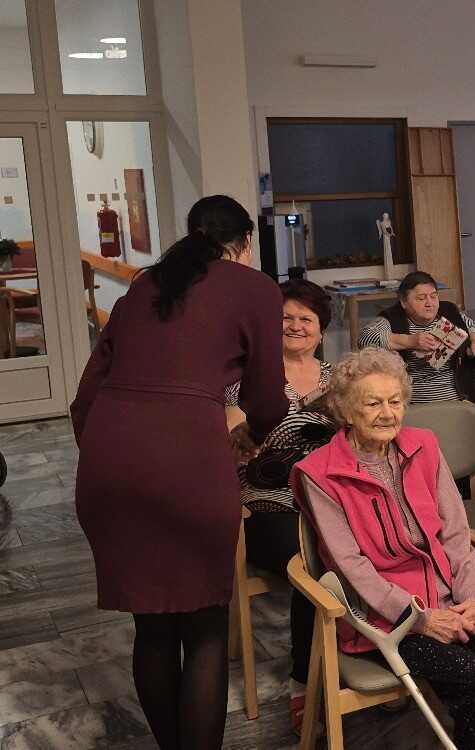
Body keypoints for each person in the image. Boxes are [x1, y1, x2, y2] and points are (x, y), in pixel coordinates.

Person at [71, 196, 289, 750]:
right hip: (188, 460)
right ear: (245, 242)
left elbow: (85, 398)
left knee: (151, 627)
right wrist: (254, 435)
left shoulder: (145, 285)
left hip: (109, 460)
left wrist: (106, 459)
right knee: (206, 628)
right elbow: (267, 398)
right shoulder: (255, 287)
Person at [291, 348, 475, 750]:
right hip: (389, 619)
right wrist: (419, 619)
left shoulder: (424, 445)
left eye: (395, 401)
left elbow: (456, 533)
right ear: (346, 410)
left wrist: (471, 598)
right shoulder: (320, 473)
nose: (388, 413)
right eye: (373, 403)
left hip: (454, 597)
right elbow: (351, 566)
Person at [223, 278, 337, 733]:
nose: (294, 326)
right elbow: (232, 440)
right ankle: (304, 682)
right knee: (316, 561)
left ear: (321, 329)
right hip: (268, 504)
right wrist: (240, 437)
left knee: (374, 545)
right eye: (285, 317)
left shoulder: (341, 380)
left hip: (331, 501)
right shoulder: (247, 381)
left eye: (305, 318)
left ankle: (367, 659)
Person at [358, 271, 475, 414]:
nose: (430, 303)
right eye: (421, 298)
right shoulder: (393, 319)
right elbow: (365, 338)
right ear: (404, 302)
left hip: (462, 399)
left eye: (433, 296)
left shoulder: (448, 311)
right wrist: (410, 341)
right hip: (415, 407)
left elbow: (471, 324)